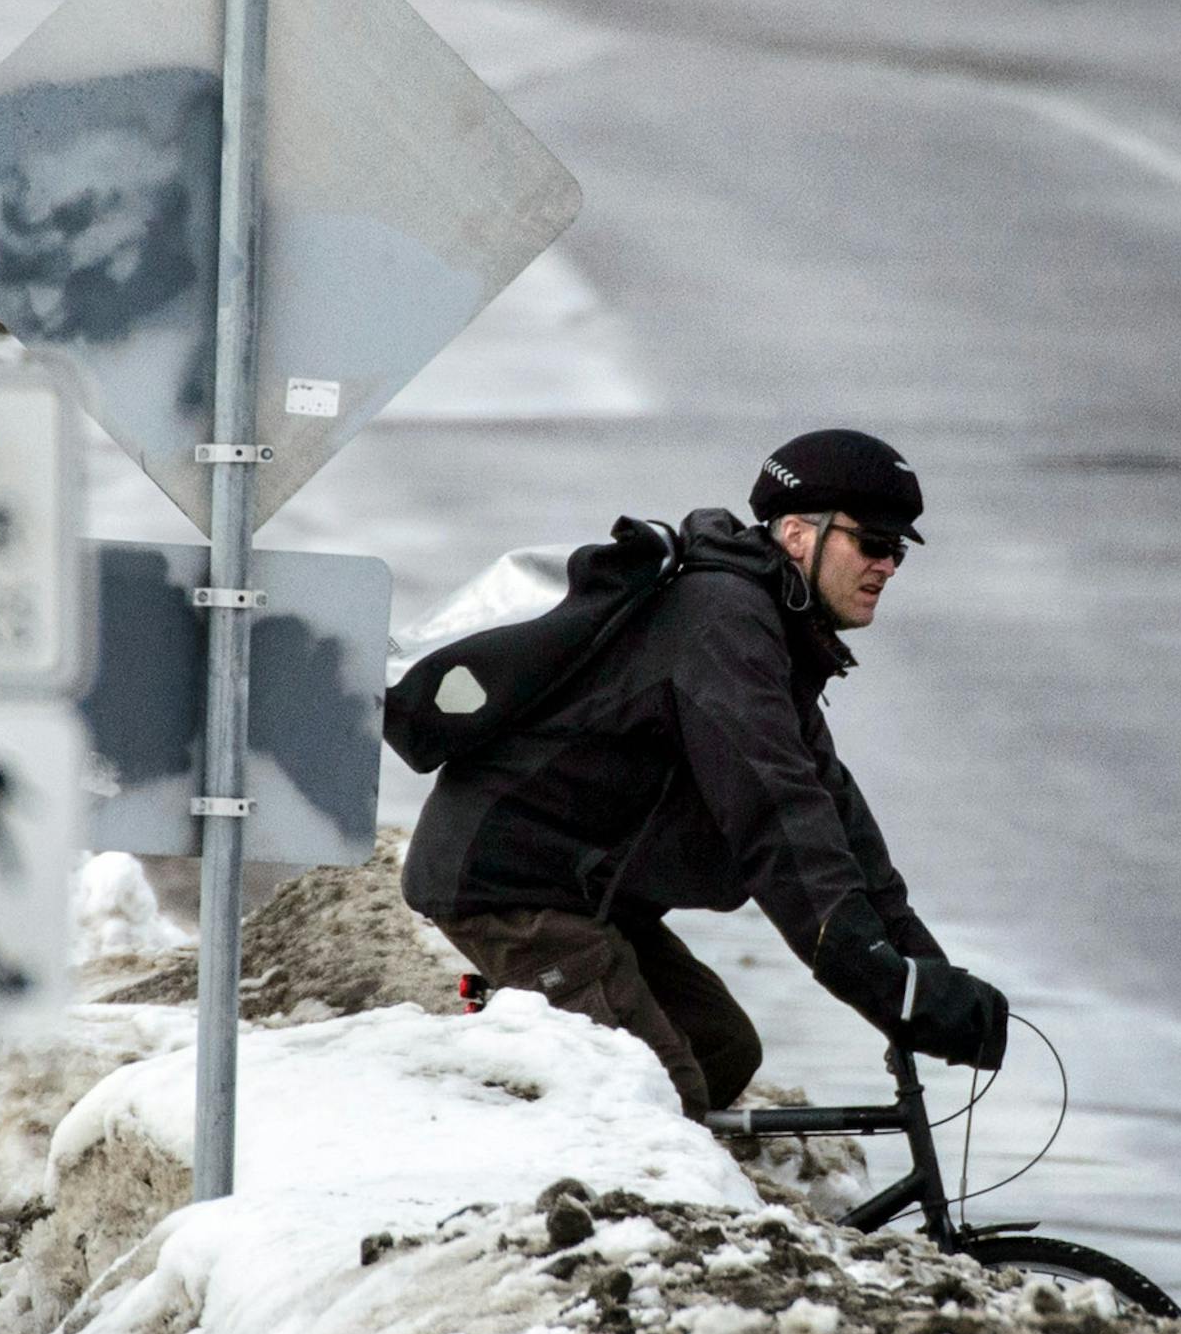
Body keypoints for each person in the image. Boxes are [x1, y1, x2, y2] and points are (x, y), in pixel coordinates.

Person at [399, 428, 1009, 1119]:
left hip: (586, 893)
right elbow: (779, 825)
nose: (889, 565)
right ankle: (513, 1190)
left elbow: (834, 818)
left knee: (720, 1048)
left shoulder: (773, 629)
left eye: (899, 550)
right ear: (799, 535)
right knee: (656, 1095)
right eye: (873, 543)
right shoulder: (724, 623)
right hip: (512, 891)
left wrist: (928, 979)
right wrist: (875, 977)